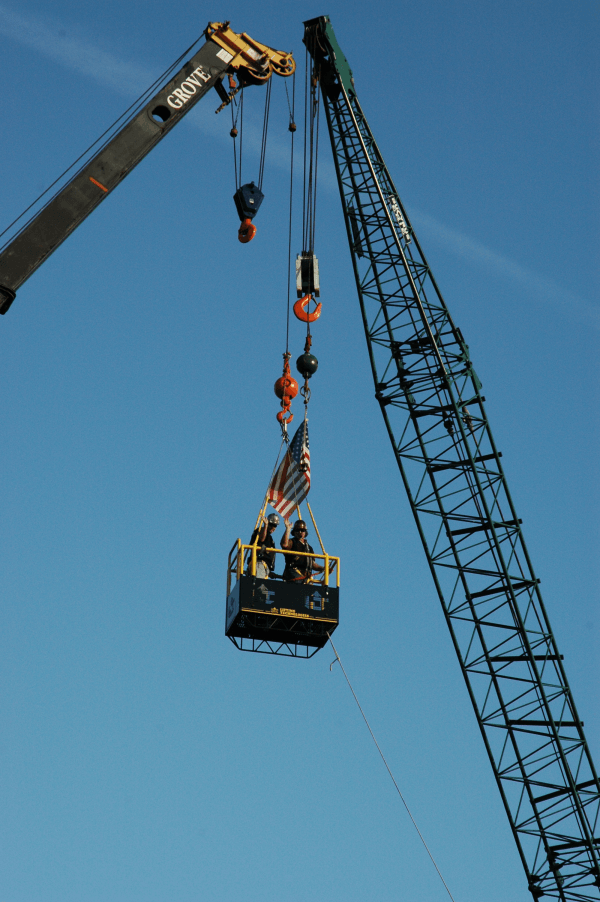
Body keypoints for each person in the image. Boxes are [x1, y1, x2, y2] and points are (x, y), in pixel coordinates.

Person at [281, 518, 324, 583]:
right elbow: (284, 545)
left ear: (305, 531)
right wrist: (288, 529)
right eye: (297, 530)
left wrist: (323, 568)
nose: (300, 532)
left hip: (306, 578)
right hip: (293, 573)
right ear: (294, 532)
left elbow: (312, 564)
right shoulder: (292, 542)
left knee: (308, 590)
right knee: (299, 587)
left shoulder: (309, 548)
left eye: (302, 530)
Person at [248, 513, 280, 579]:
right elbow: (262, 539)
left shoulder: (270, 538)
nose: (272, 527)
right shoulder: (260, 531)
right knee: (259, 586)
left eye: (275, 525)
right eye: (271, 524)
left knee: (262, 587)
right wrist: (265, 525)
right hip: (258, 564)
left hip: (263, 567)